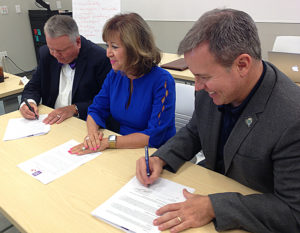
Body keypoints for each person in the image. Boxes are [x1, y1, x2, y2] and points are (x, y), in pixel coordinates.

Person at [136, 8, 300, 233]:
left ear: (242, 64)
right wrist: (162, 157)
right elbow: (196, 130)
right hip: (209, 189)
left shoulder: (292, 118)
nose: (197, 86)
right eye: (195, 76)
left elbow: (292, 212)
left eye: (204, 77)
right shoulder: (209, 89)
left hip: (249, 215)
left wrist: (215, 206)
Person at [69, 13, 176, 154]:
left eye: (114, 47)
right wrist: (92, 134)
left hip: (156, 153)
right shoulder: (115, 75)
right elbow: (95, 110)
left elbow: (154, 136)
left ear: (134, 48)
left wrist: (109, 142)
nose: (108, 53)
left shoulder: (162, 81)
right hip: (123, 148)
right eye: (107, 46)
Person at [20, 15, 111, 124]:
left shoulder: (99, 58)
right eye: (51, 49)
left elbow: (107, 100)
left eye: (61, 50)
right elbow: (33, 87)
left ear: (77, 42)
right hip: (49, 122)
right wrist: (28, 103)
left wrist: (75, 109)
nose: (55, 55)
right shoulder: (46, 55)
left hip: (82, 122)